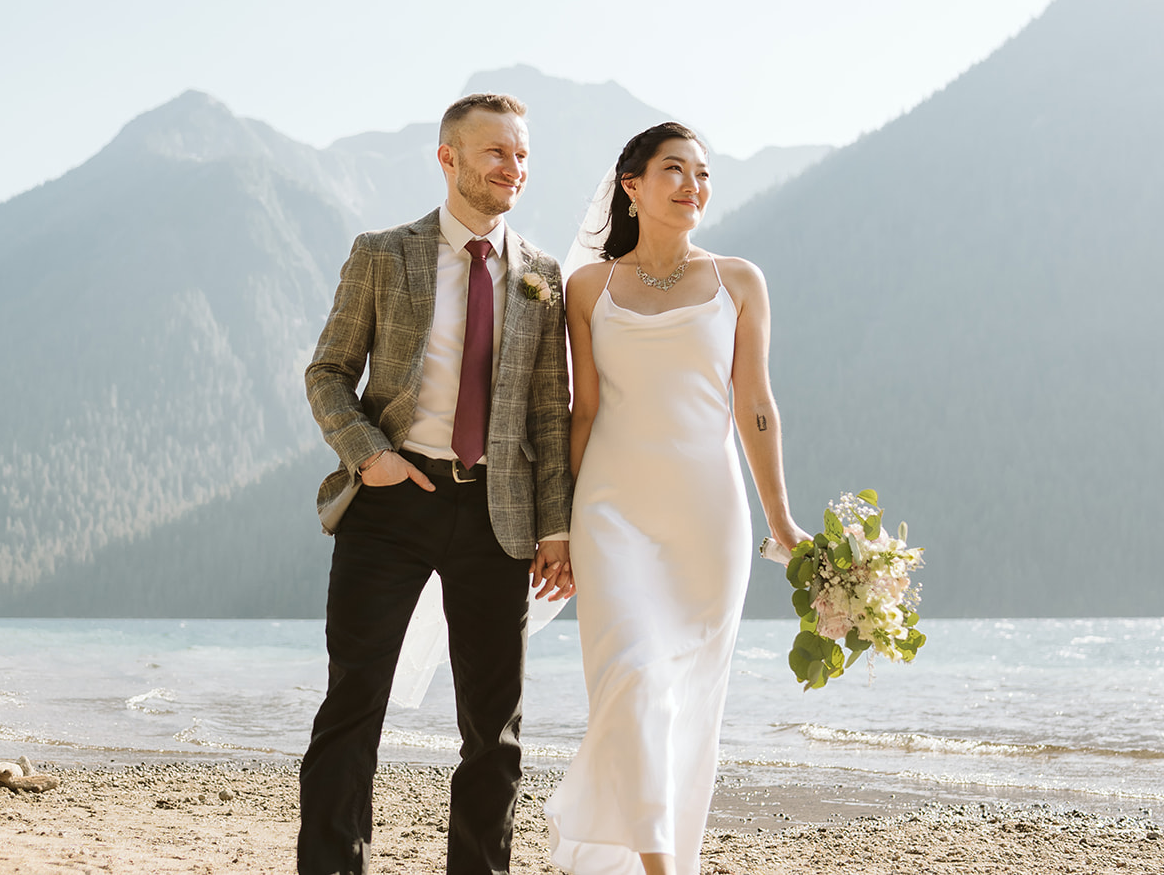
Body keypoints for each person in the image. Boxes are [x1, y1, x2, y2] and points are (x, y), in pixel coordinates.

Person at [300, 92, 575, 875]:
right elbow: (328, 372)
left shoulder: (544, 277)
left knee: (496, 727)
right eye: (496, 152)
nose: (513, 168)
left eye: (521, 154)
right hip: (391, 500)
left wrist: (554, 527)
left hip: (499, 514)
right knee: (353, 708)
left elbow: (548, 420)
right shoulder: (384, 254)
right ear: (448, 158)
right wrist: (370, 455)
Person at [545, 122, 809, 875]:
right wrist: (559, 525)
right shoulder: (589, 288)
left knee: (688, 696)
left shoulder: (739, 280)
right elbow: (584, 410)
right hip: (611, 511)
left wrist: (781, 520)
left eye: (702, 173)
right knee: (630, 674)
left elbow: (756, 405)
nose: (693, 185)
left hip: (708, 518)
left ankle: (666, 855)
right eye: (675, 170)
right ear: (631, 186)